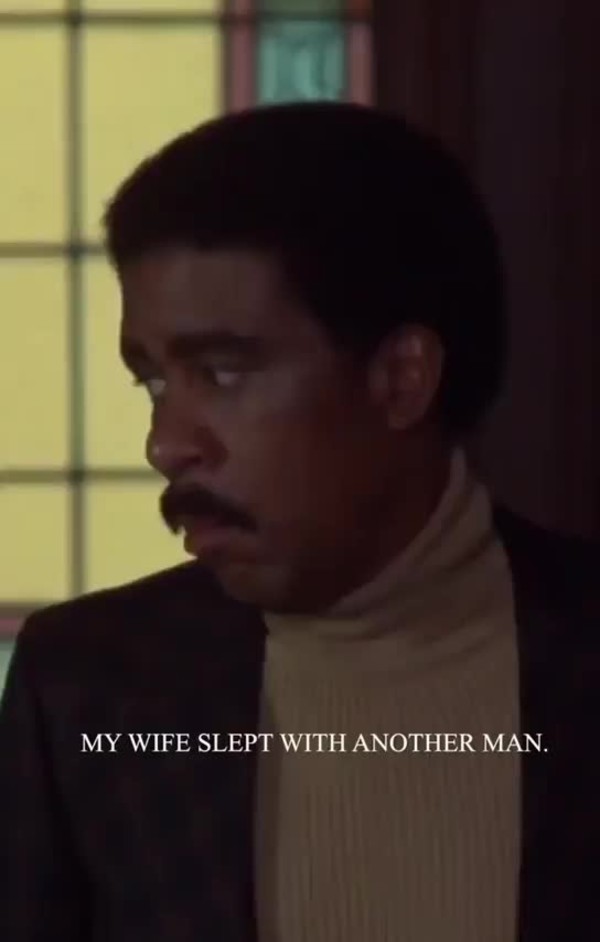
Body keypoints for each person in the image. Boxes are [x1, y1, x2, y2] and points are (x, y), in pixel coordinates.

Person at [0, 102, 598, 942]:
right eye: (155, 382)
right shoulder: (85, 686)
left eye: (222, 372)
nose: (166, 444)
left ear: (401, 379)